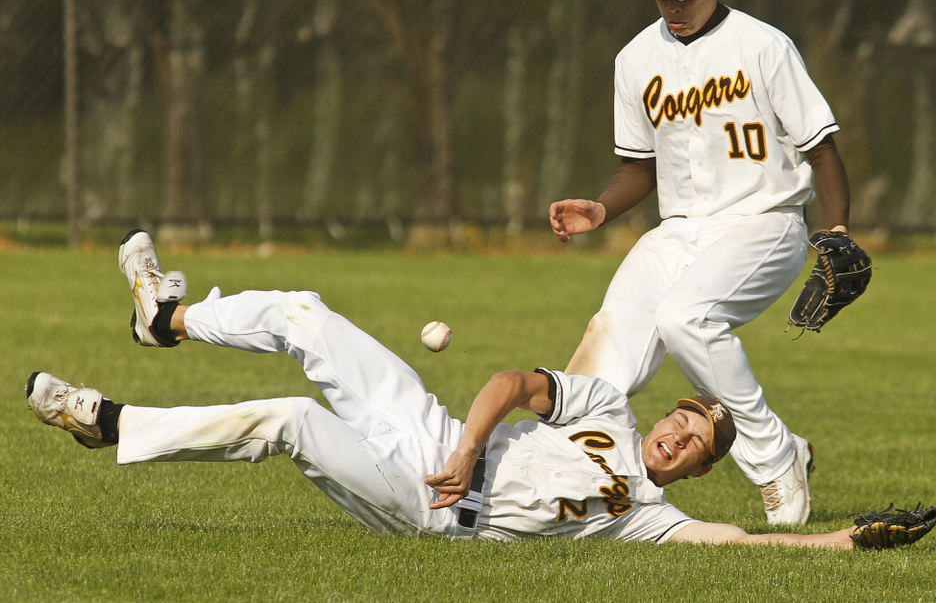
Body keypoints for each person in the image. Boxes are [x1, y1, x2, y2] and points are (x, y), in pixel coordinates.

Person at [28, 229, 865, 548]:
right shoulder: (607, 408)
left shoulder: (649, 518)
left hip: (429, 505)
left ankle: (108, 421)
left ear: (697, 471)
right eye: (685, 417)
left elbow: (746, 547)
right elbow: (506, 382)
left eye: (696, 446)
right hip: (434, 438)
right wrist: (465, 447)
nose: (679, 437)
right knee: (302, 312)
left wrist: (842, 542)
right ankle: (164, 321)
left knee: (290, 419)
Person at [548, 0, 856, 526]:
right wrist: (603, 207)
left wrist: (838, 232)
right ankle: (571, 484)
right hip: (680, 229)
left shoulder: (763, 46)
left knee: (687, 317)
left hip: (763, 220)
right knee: (602, 368)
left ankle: (774, 459)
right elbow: (636, 167)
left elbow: (821, 148)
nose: (674, 5)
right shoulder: (635, 58)